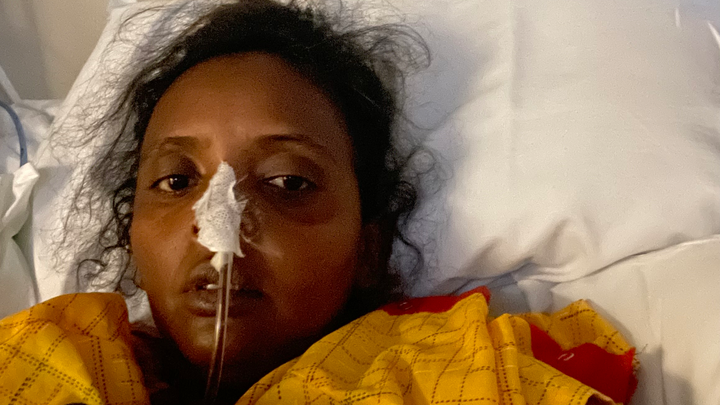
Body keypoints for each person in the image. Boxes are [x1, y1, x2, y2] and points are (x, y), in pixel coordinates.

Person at [0, 1, 638, 404]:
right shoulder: (51, 358)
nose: (218, 226)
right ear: (130, 235)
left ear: (369, 250)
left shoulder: (460, 373)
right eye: (176, 181)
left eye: (288, 183)